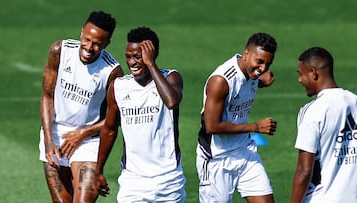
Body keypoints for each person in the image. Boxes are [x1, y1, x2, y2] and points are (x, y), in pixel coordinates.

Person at [38, 11, 123, 203]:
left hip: (89, 141)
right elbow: (47, 95)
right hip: (56, 135)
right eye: (86, 39)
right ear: (81, 33)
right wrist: (49, 140)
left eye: (97, 44)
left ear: (106, 44)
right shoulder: (60, 51)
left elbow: (115, 118)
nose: (89, 47)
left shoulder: (112, 72)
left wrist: (82, 134)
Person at [95, 26, 186, 202]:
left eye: (138, 57)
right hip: (133, 182)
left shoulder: (171, 78)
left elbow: (172, 102)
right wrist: (98, 170)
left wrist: (151, 64)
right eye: (128, 57)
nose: (132, 62)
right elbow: (110, 129)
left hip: (169, 180)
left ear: (152, 56)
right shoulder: (119, 87)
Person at [197, 32, 278, 203]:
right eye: (260, 62)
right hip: (217, 159)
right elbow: (212, 126)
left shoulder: (252, 73)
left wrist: (260, 80)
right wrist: (256, 127)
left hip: (245, 151)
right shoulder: (221, 81)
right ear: (246, 54)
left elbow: (248, 81)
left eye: (268, 64)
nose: (263, 68)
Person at [291, 47, 357, 202]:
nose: (299, 80)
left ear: (313, 73)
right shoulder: (355, 101)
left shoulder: (312, 111)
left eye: (301, 74)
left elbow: (304, 170)